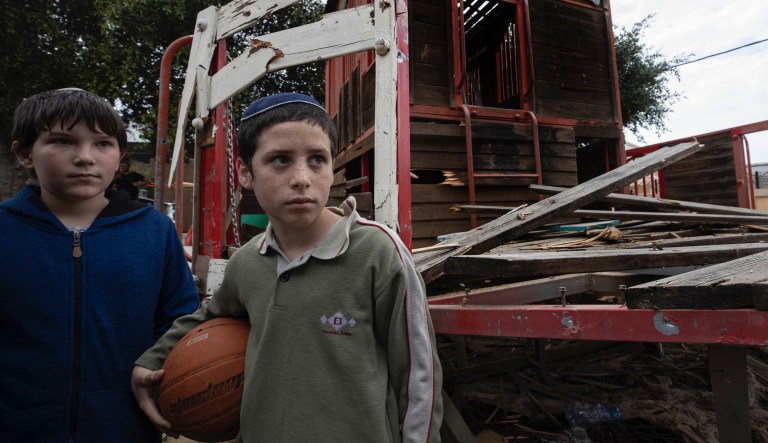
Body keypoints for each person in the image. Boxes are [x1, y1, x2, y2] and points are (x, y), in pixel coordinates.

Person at [132, 92, 444, 441]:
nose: (301, 178)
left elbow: (419, 375)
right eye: (280, 159)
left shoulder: (377, 252)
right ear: (246, 173)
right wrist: (152, 359)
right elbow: (208, 316)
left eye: (317, 160)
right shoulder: (247, 263)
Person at [0, 88, 200, 442]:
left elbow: (178, 320)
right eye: (62, 141)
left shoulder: (154, 231)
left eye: (102, 144)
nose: (85, 157)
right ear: (24, 153)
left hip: (126, 428)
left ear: (120, 157)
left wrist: (166, 383)